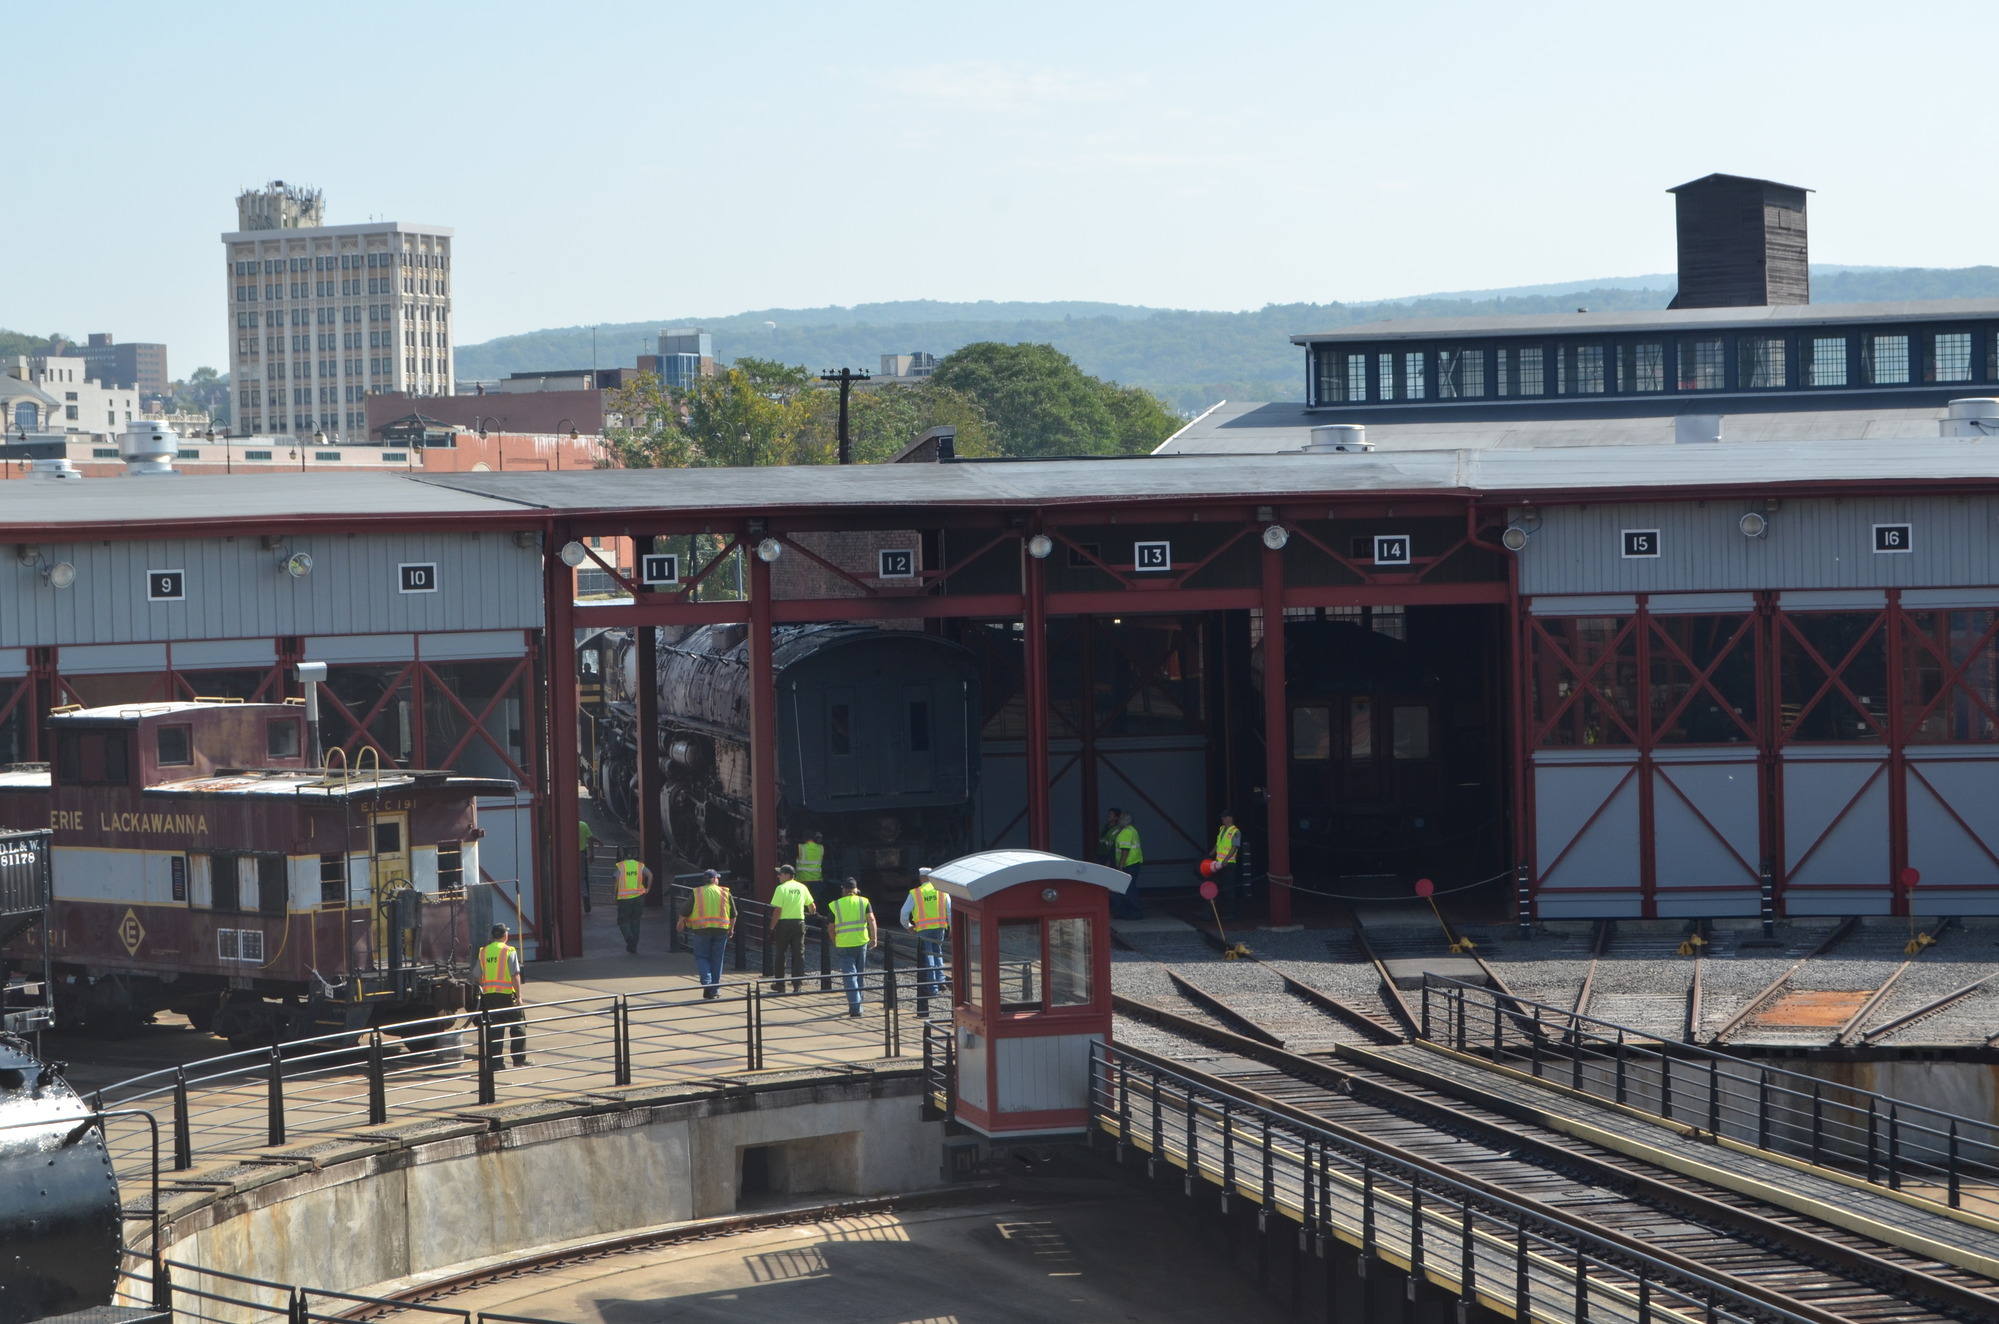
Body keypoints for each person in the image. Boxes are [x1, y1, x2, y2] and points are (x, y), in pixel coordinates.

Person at [476, 923, 530, 1070]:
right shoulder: (508, 951)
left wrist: (486, 988)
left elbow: (477, 975)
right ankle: (519, 1059)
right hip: (507, 994)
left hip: (490, 996)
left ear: (492, 936)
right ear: (505, 936)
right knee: (518, 1025)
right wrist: (519, 997)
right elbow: (515, 975)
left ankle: (496, 1063)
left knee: (495, 1029)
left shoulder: (483, 952)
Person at [677, 869, 736, 998]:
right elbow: (733, 914)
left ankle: (707, 983)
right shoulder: (725, 892)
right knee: (717, 959)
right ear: (715, 879)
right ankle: (714, 990)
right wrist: (731, 928)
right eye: (717, 878)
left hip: (701, 930)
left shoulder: (697, 892)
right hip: (721, 930)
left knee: (701, 957)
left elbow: (684, 910)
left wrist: (680, 922)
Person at [827, 876, 877, 1018]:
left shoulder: (835, 905)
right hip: (861, 942)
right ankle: (858, 1002)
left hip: (843, 944)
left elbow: (830, 928)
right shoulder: (864, 901)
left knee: (849, 976)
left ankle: (855, 1007)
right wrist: (874, 938)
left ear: (843, 889)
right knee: (859, 973)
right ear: (856, 890)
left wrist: (834, 941)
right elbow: (872, 920)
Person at [899, 867, 950, 1002]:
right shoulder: (942, 892)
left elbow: (904, 913)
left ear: (921, 878)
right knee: (938, 953)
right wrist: (952, 927)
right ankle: (940, 981)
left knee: (929, 956)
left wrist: (908, 926)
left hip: (923, 929)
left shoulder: (916, 893)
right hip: (940, 928)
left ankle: (932, 988)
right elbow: (949, 910)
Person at [767, 864, 817, 994]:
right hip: (799, 923)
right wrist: (812, 914)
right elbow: (812, 907)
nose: (778, 876)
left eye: (780, 874)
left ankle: (780, 984)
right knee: (798, 954)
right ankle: (797, 985)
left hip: (784, 924)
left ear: (787, 875)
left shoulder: (781, 888)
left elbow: (778, 910)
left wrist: (771, 927)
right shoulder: (802, 887)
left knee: (780, 954)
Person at [613, 849, 653, 954]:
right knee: (635, 921)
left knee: (623, 920)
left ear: (624, 856)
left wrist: (614, 893)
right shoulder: (640, 866)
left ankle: (629, 937)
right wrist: (647, 888)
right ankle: (633, 946)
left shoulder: (621, 866)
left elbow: (616, 879)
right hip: (639, 897)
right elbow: (650, 875)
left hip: (625, 898)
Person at [1209, 811, 1243, 921]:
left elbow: (1235, 847)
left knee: (1228, 889)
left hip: (1229, 864)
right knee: (1213, 886)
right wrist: (1210, 854)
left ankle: (1231, 913)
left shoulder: (1236, 832)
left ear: (1230, 818)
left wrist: (1226, 859)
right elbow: (1218, 844)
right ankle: (1208, 912)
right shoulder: (1221, 829)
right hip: (1219, 863)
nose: (1222, 819)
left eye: (1224, 817)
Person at [1112, 811, 1145, 919]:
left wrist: (1120, 866)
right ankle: (1131, 912)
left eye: (1120, 818)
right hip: (1134, 863)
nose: (1118, 820)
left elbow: (1125, 851)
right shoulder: (1132, 830)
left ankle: (1134, 913)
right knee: (1130, 889)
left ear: (1124, 820)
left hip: (1128, 864)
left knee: (1129, 890)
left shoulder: (1125, 832)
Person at [795, 832, 826, 903]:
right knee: (814, 902)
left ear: (804, 839)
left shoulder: (800, 847)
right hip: (817, 880)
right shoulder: (821, 848)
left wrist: (782, 835)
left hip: (802, 879)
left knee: (802, 902)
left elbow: (785, 846)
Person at [578, 819, 595, 913]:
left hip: (568, 854)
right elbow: (590, 838)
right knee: (583, 877)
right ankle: (585, 895)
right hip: (581, 854)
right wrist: (592, 854)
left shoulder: (566, 825)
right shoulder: (583, 825)